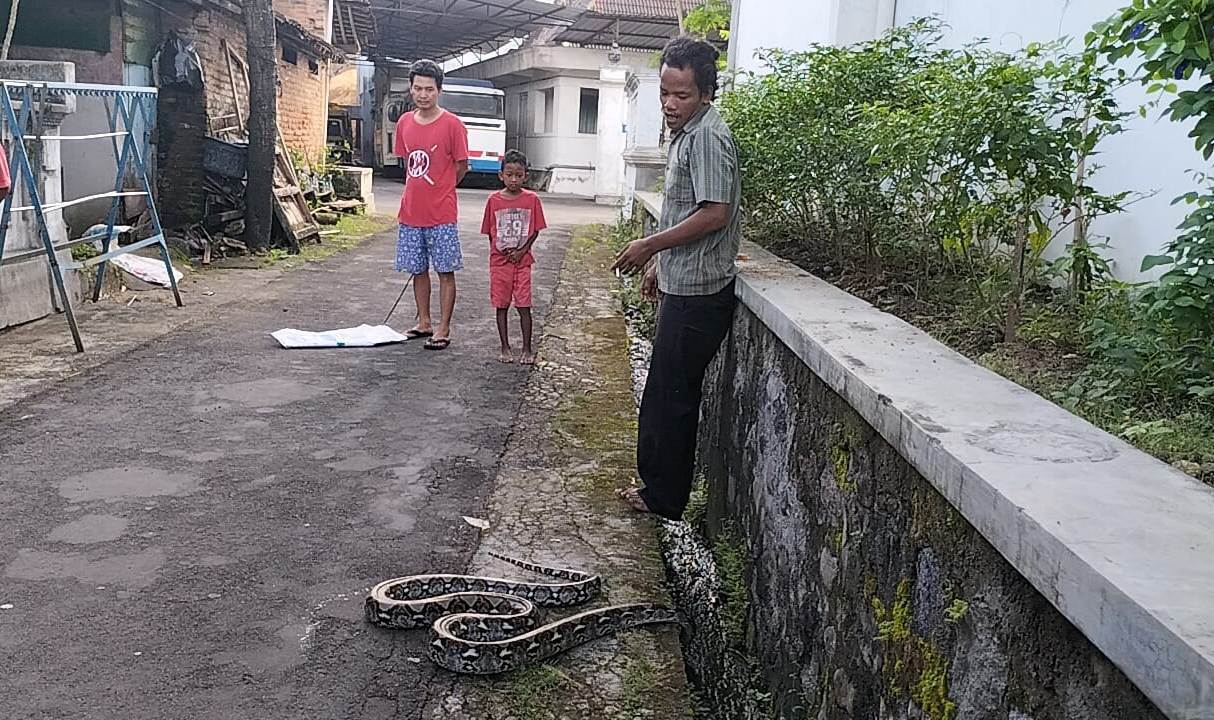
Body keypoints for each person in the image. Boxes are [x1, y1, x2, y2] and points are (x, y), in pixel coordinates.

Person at [611, 37, 742, 520]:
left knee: (672, 399)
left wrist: (649, 245)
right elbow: (684, 210)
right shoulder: (689, 132)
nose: (669, 104)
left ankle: (663, 500)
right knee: (665, 394)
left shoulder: (707, 136)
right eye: (665, 93)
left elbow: (714, 213)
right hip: (685, 282)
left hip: (700, 295)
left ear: (705, 93)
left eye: (681, 95)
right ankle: (660, 491)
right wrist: (661, 262)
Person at [393, 59, 469, 352]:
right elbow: (407, 162)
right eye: (418, 88)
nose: (423, 94)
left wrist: (443, 187)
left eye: (429, 89)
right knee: (418, 269)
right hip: (411, 212)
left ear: (439, 90)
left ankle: (443, 327)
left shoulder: (453, 125)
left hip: (442, 213)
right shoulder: (404, 122)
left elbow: (461, 165)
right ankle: (424, 322)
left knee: (445, 271)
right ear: (410, 89)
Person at [481, 149, 547, 365]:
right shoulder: (493, 200)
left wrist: (521, 251)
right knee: (501, 305)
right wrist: (502, 252)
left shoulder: (532, 199)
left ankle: (527, 349)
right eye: (509, 175)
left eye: (519, 175)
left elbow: (535, 230)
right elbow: (490, 232)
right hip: (499, 263)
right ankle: (505, 347)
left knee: (524, 305)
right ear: (501, 175)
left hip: (523, 262)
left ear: (526, 176)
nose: (514, 180)